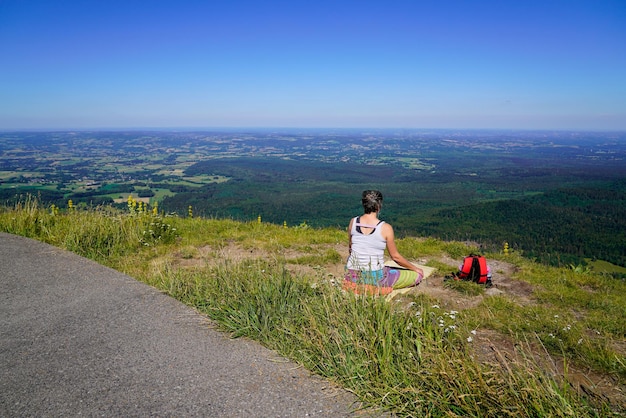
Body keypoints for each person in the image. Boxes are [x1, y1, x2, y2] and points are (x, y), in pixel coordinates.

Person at [344, 190, 423, 295]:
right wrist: (416, 269)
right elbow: (395, 257)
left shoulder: (353, 222)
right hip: (374, 277)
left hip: (351, 274)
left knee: (386, 269)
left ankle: (357, 286)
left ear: (363, 204)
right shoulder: (385, 228)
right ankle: (375, 289)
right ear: (379, 206)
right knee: (416, 276)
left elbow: (350, 248)